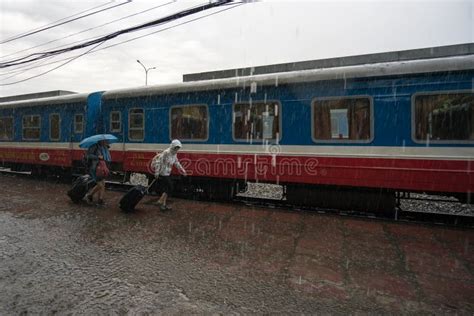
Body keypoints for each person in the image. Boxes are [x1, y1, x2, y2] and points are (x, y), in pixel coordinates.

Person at [152, 139, 186, 211]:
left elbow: (176, 163)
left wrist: (183, 171)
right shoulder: (166, 153)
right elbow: (158, 162)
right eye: (176, 148)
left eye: (178, 148)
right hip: (162, 173)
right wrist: (157, 172)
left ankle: (163, 205)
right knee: (170, 187)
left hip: (168, 173)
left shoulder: (174, 154)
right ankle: (160, 201)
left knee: (166, 189)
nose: (177, 149)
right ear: (173, 147)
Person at [85, 140, 111, 205]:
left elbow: (106, 158)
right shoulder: (94, 146)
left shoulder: (104, 148)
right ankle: (89, 195)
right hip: (95, 167)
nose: (106, 142)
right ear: (100, 141)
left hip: (102, 167)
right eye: (105, 141)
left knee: (103, 184)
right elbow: (88, 156)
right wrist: (97, 157)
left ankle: (100, 200)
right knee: (100, 185)